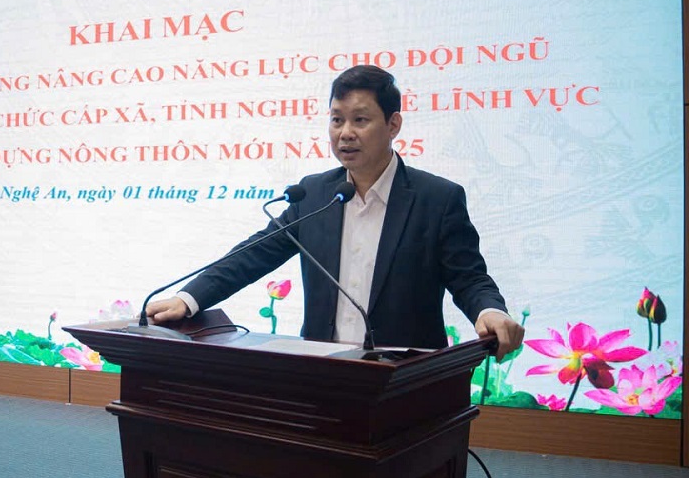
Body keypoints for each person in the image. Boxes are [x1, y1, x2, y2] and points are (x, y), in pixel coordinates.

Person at [147, 65, 524, 360]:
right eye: (337, 119)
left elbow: (468, 277)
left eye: (360, 120)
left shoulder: (436, 199)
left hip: (405, 380)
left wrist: (490, 310)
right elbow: (253, 255)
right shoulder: (314, 195)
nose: (345, 133)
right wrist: (189, 298)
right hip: (324, 375)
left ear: (393, 124)